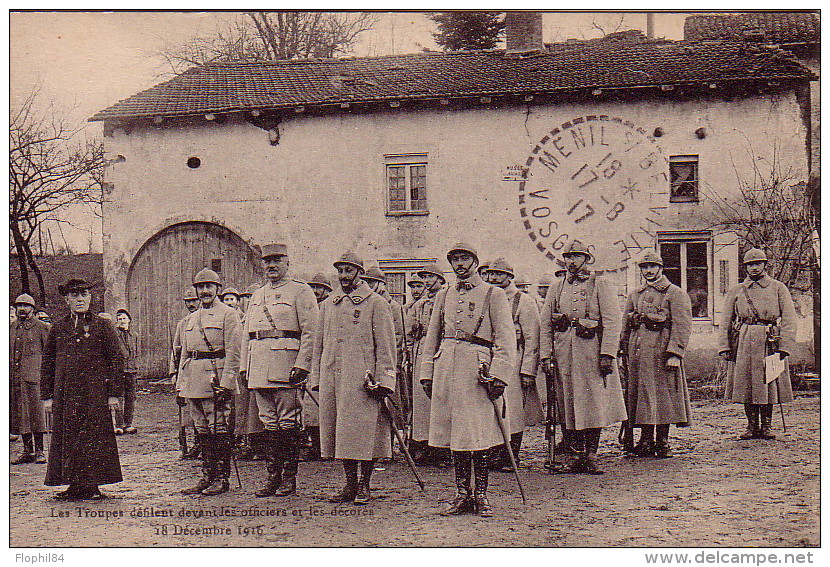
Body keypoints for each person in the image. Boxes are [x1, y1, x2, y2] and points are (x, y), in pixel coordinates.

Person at [419, 243, 517, 517]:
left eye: (464, 259)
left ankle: (482, 495)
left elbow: (506, 338)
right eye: (455, 260)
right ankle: (462, 494)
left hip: (478, 371)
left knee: (477, 433)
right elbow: (433, 336)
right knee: (457, 434)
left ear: (475, 261)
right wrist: (427, 372)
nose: (459, 264)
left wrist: (499, 375)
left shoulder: (493, 294)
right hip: (448, 367)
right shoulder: (445, 294)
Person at [309, 251, 397, 505]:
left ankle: (364, 485)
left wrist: (385, 380)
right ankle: (349, 484)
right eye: (340, 271)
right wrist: (317, 376)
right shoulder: (329, 304)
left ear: (360, 273)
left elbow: (386, 346)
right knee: (341, 433)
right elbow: (319, 343)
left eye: (349, 271)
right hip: (334, 377)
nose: (344, 276)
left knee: (364, 434)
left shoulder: (375, 303)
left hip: (363, 380)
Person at [539, 240, 626, 475]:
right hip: (564, 353)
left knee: (593, 403)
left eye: (578, 257)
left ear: (587, 259)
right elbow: (545, 324)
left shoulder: (601, 284)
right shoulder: (556, 287)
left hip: (592, 353)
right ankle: (574, 454)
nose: (572, 261)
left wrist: (607, 353)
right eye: (568, 257)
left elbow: (612, 321)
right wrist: (546, 355)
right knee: (566, 402)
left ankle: (590, 455)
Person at [240, 243, 318, 497]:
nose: (271, 265)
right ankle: (272, 477)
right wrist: (244, 366)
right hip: (259, 368)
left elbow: (310, 332)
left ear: (287, 263)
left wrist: (302, 364)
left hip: (286, 367)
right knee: (268, 425)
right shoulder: (257, 295)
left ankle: (288, 478)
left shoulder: (301, 291)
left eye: (277, 260)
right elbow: (247, 335)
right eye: (267, 261)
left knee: (288, 424)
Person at [41, 278, 125, 500]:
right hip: (66, 395)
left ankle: (92, 486)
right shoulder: (58, 327)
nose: (79, 299)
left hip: (94, 395)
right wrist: (47, 396)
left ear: (90, 297)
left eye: (84, 294)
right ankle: (73, 485)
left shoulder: (102, 325)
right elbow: (48, 362)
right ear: (67, 299)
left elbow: (116, 360)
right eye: (74, 295)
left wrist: (114, 393)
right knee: (68, 439)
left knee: (93, 438)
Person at [620, 251, 693, 458]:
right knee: (642, 396)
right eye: (644, 267)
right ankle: (645, 440)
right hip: (638, 354)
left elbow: (682, 325)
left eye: (652, 267)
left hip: (662, 353)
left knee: (663, 397)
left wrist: (675, 353)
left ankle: (662, 442)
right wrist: (622, 349)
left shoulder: (674, 293)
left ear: (661, 268)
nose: (649, 271)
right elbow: (626, 324)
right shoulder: (635, 294)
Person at [176, 268, 241, 496]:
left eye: (209, 287)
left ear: (217, 289)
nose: (204, 291)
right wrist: (180, 385)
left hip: (216, 378)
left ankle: (222, 479)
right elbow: (185, 353)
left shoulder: (229, 314)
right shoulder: (190, 319)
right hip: (193, 380)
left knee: (218, 429)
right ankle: (207, 476)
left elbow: (234, 352)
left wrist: (227, 383)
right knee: (201, 430)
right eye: (200, 287)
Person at [719, 248, 796, 440]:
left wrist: (784, 346)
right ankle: (751, 425)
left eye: (758, 263)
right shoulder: (737, 290)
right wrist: (724, 346)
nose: (754, 268)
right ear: (745, 267)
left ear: (765, 265)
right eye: (750, 264)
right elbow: (726, 320)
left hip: (769, 338)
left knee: (768, 381)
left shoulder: (778, 288)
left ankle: (767, 426)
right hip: (744, 339)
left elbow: (789, 318)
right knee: (747, 383)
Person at [483, 259, 544, 471]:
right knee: (491, 407)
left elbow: (532, 339)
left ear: (510, 277)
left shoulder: (523, 301)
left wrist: (528, 370)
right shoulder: (486, 296)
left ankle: (511, 456)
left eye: (499, 274)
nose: (493, 278)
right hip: (489, 359)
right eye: (491, 274)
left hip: (515, 360)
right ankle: (493, 453)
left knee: (514, 410)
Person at [408, 262, 447, 466]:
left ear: (440, 280)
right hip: (421, 351)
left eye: (431, 277)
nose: (427, 281)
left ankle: (441, 448)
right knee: (421, 402)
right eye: (425, 278)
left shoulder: (448, 299)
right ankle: (422, 445)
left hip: (441, 351)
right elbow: (409, 332)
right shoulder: (419, 305)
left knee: (439, 400)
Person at [10, 293, 50, 465]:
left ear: (33, 309)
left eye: (26, 306)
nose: (22, 309)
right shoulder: (12, 327)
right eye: (19, 306)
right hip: (16, 379)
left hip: (35, 378)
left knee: (36, 413)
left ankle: (40, 450)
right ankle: (27, 450)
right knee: (21, 415)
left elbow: (49, 354)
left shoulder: (42, 327)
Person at [235, 282, 267, 462]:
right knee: (244, 410)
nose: (247, 300)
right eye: (245, 297)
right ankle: (250, 443)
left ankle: (261, 447)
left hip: (261, 368)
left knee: (259, 411)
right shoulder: (242, 319)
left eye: (250, 297)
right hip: (246, 369)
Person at [303, 273, 332, 461]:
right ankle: (315, 446)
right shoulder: (309, 307)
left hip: (326, 359)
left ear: (327, 290)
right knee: (310, 405)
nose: (315, 291)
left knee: (325, 404)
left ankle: (326, 446)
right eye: (313, 288)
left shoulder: (330, 307)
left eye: (319, 288)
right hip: (311, 358)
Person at [171, 286, 201, 460]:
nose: (191, 304)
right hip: (187, 370)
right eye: (188, 302)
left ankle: (204, 443)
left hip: (204, 369)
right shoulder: (182, 324)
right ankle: (193, 443)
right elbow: (176, 350)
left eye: (193, 301)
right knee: (188, 409)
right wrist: (173, 373)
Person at [114, 308, 139, 435]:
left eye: (124, 318)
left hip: (132, 370)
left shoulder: (134, 335)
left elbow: (136, 352)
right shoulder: (114, 335)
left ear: (129, 320)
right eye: (119, 319)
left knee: (131, 397)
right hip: (119, 371)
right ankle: (118, 425)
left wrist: (135, 366)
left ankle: (128, 424)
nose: (122, 321)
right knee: (119, 398)